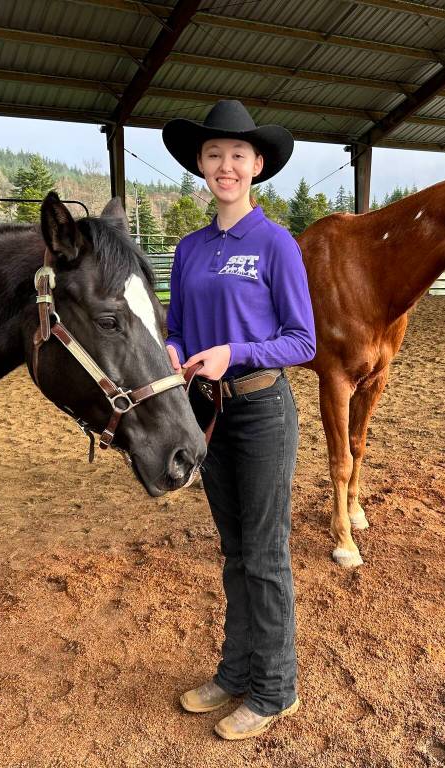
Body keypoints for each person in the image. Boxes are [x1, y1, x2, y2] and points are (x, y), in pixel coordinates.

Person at [161, 100, 316, 738]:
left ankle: (276, 688)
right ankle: (235, 671)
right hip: (208, 414)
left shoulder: (275, 244)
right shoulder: (189, 249)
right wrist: (172, 350)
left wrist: (236, 353)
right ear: (201, 164)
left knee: (265, 553)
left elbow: (302, 341)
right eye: (214, 154)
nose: (226, 166)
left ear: (256, 166)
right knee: (233, 551)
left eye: (238, 156)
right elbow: (175, 329)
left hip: (261, 408)